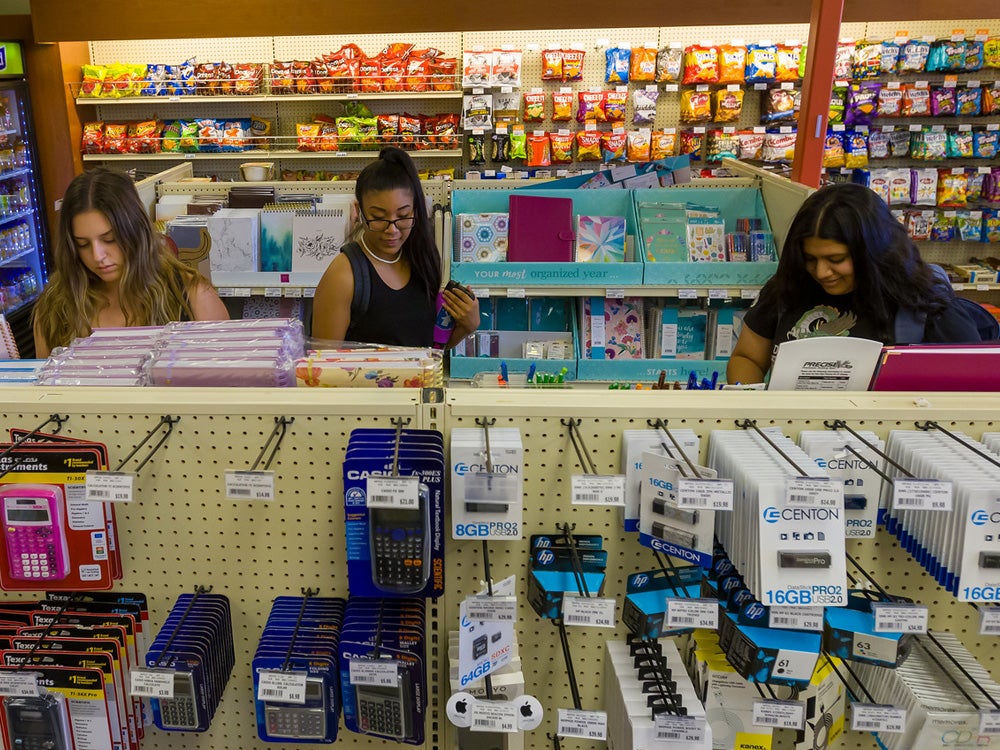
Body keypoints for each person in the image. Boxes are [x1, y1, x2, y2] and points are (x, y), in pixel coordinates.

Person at [726, 182, 981, 385]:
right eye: (810, 258)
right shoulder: (789, 286)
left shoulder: (928, 307)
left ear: (874, 252)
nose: (822, 272)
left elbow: (971, 392)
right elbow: (747, 357)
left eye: (836, 259)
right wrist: (752, 402)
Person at [33, 168, 229, 357]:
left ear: (137, 231)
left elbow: (226, 383)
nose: (97, 255)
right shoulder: (54, 306)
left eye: (110, 239)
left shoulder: (191, 296)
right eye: (82, 244)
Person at [311, 147, 479, 347]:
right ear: (358, 211)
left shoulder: (421, 259)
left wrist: (467, 325)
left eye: (402, 216)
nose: (392, 230)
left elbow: (430, 349)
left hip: (420, 379)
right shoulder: (344, 275)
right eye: (379, 217)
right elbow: (323, 367)